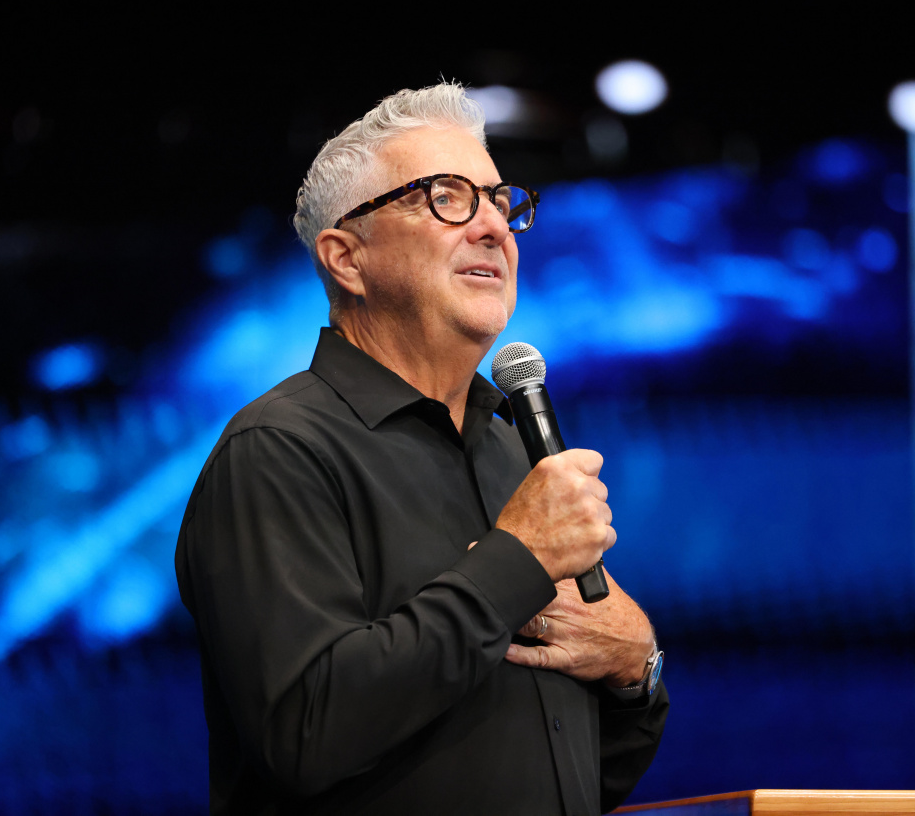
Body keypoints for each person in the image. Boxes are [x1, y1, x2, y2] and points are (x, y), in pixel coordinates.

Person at [175, 82, 668, 815]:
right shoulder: (277, 451)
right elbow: (304, 732)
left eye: (499, 201)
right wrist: (515, 563)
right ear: (347, 259)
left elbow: (571, 773)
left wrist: (635, 670)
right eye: (446, 198)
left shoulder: (511, 453)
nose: (494, 227)